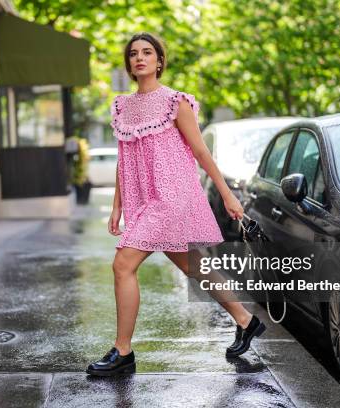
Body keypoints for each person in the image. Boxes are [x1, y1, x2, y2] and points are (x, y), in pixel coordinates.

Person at [86, 32, 265, 377]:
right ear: (129, 64)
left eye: (147, 52)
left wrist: (227, 194)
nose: (140, 58)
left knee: (123, 264)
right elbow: (125, 159)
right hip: (143, 199)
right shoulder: (122, 107)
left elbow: (201, 151)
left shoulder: (175, 102)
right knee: (193, 267)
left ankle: (123, 352)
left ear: (159, 61)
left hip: (172, 197)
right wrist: (117, 205)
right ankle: (246, 320)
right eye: (134, 54)